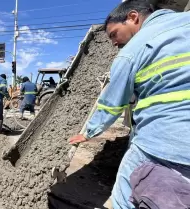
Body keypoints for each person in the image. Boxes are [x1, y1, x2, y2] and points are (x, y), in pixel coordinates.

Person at [68, 1, 190, 208]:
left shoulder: (133, 49)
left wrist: (90, 131)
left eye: (114, 34)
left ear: (133, 18)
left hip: (163, 144)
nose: (114, 43)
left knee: (126, 193)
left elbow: (113, 103)